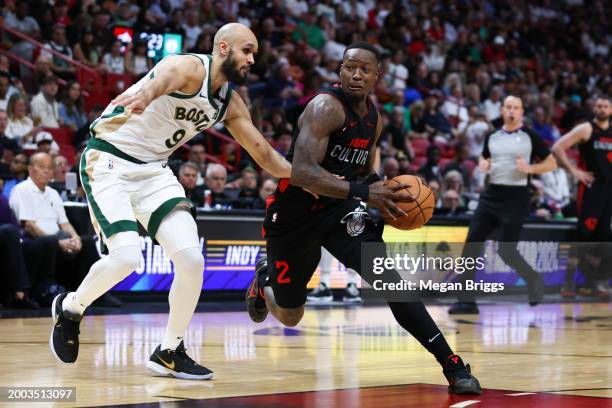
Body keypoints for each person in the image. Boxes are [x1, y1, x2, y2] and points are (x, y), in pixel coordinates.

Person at [49, 23, 291, 381]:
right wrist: (147, 93)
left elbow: (265, 156)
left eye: (254, 53)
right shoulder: (190, 67)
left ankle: (169, 350)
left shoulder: (230, 102)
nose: (252, 59)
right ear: (223, 47)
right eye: (247, 50)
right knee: (127, 257)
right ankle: (70, 308)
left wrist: (314, 181)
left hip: (154, 172)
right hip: (110, 160)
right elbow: (165, 75)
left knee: (192, 259)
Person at [245, 42, 482, 395]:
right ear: (340, 71)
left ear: (377, 76)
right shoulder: (325, 108)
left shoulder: (375, 119)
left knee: (391, 281)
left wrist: (384, 192)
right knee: (292, 315)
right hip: (295, 214)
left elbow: (361, 172)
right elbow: (303, 173)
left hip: (339, 211)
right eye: (349, 67)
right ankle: (264, 282)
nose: (356, 74)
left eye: (364, 69)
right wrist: (365, 193)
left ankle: (451, 364)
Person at [448, 96, 557, 315]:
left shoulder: (530, 136)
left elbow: (551, 163)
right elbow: (484, 159)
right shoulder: (493, 136)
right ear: (502, 109)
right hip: (491, 195)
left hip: (516, 197)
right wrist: (483, 164)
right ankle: (466, 301)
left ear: (521, 111)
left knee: (507, 251)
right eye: (508, 107)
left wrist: (529, 169)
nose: (512, 111)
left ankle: (533, 279)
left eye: (516, 108)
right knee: (471, 246)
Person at [551, 96, 611, 298]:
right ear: (594, 108)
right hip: (591, 187)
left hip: (608, 190)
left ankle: (597, 283)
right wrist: (574, 171)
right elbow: (557, 147)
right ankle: (568, 283)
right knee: (584, 234)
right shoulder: (586, 129)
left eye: (605, 106)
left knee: (603, 237)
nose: (602, 109)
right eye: (599, 105)